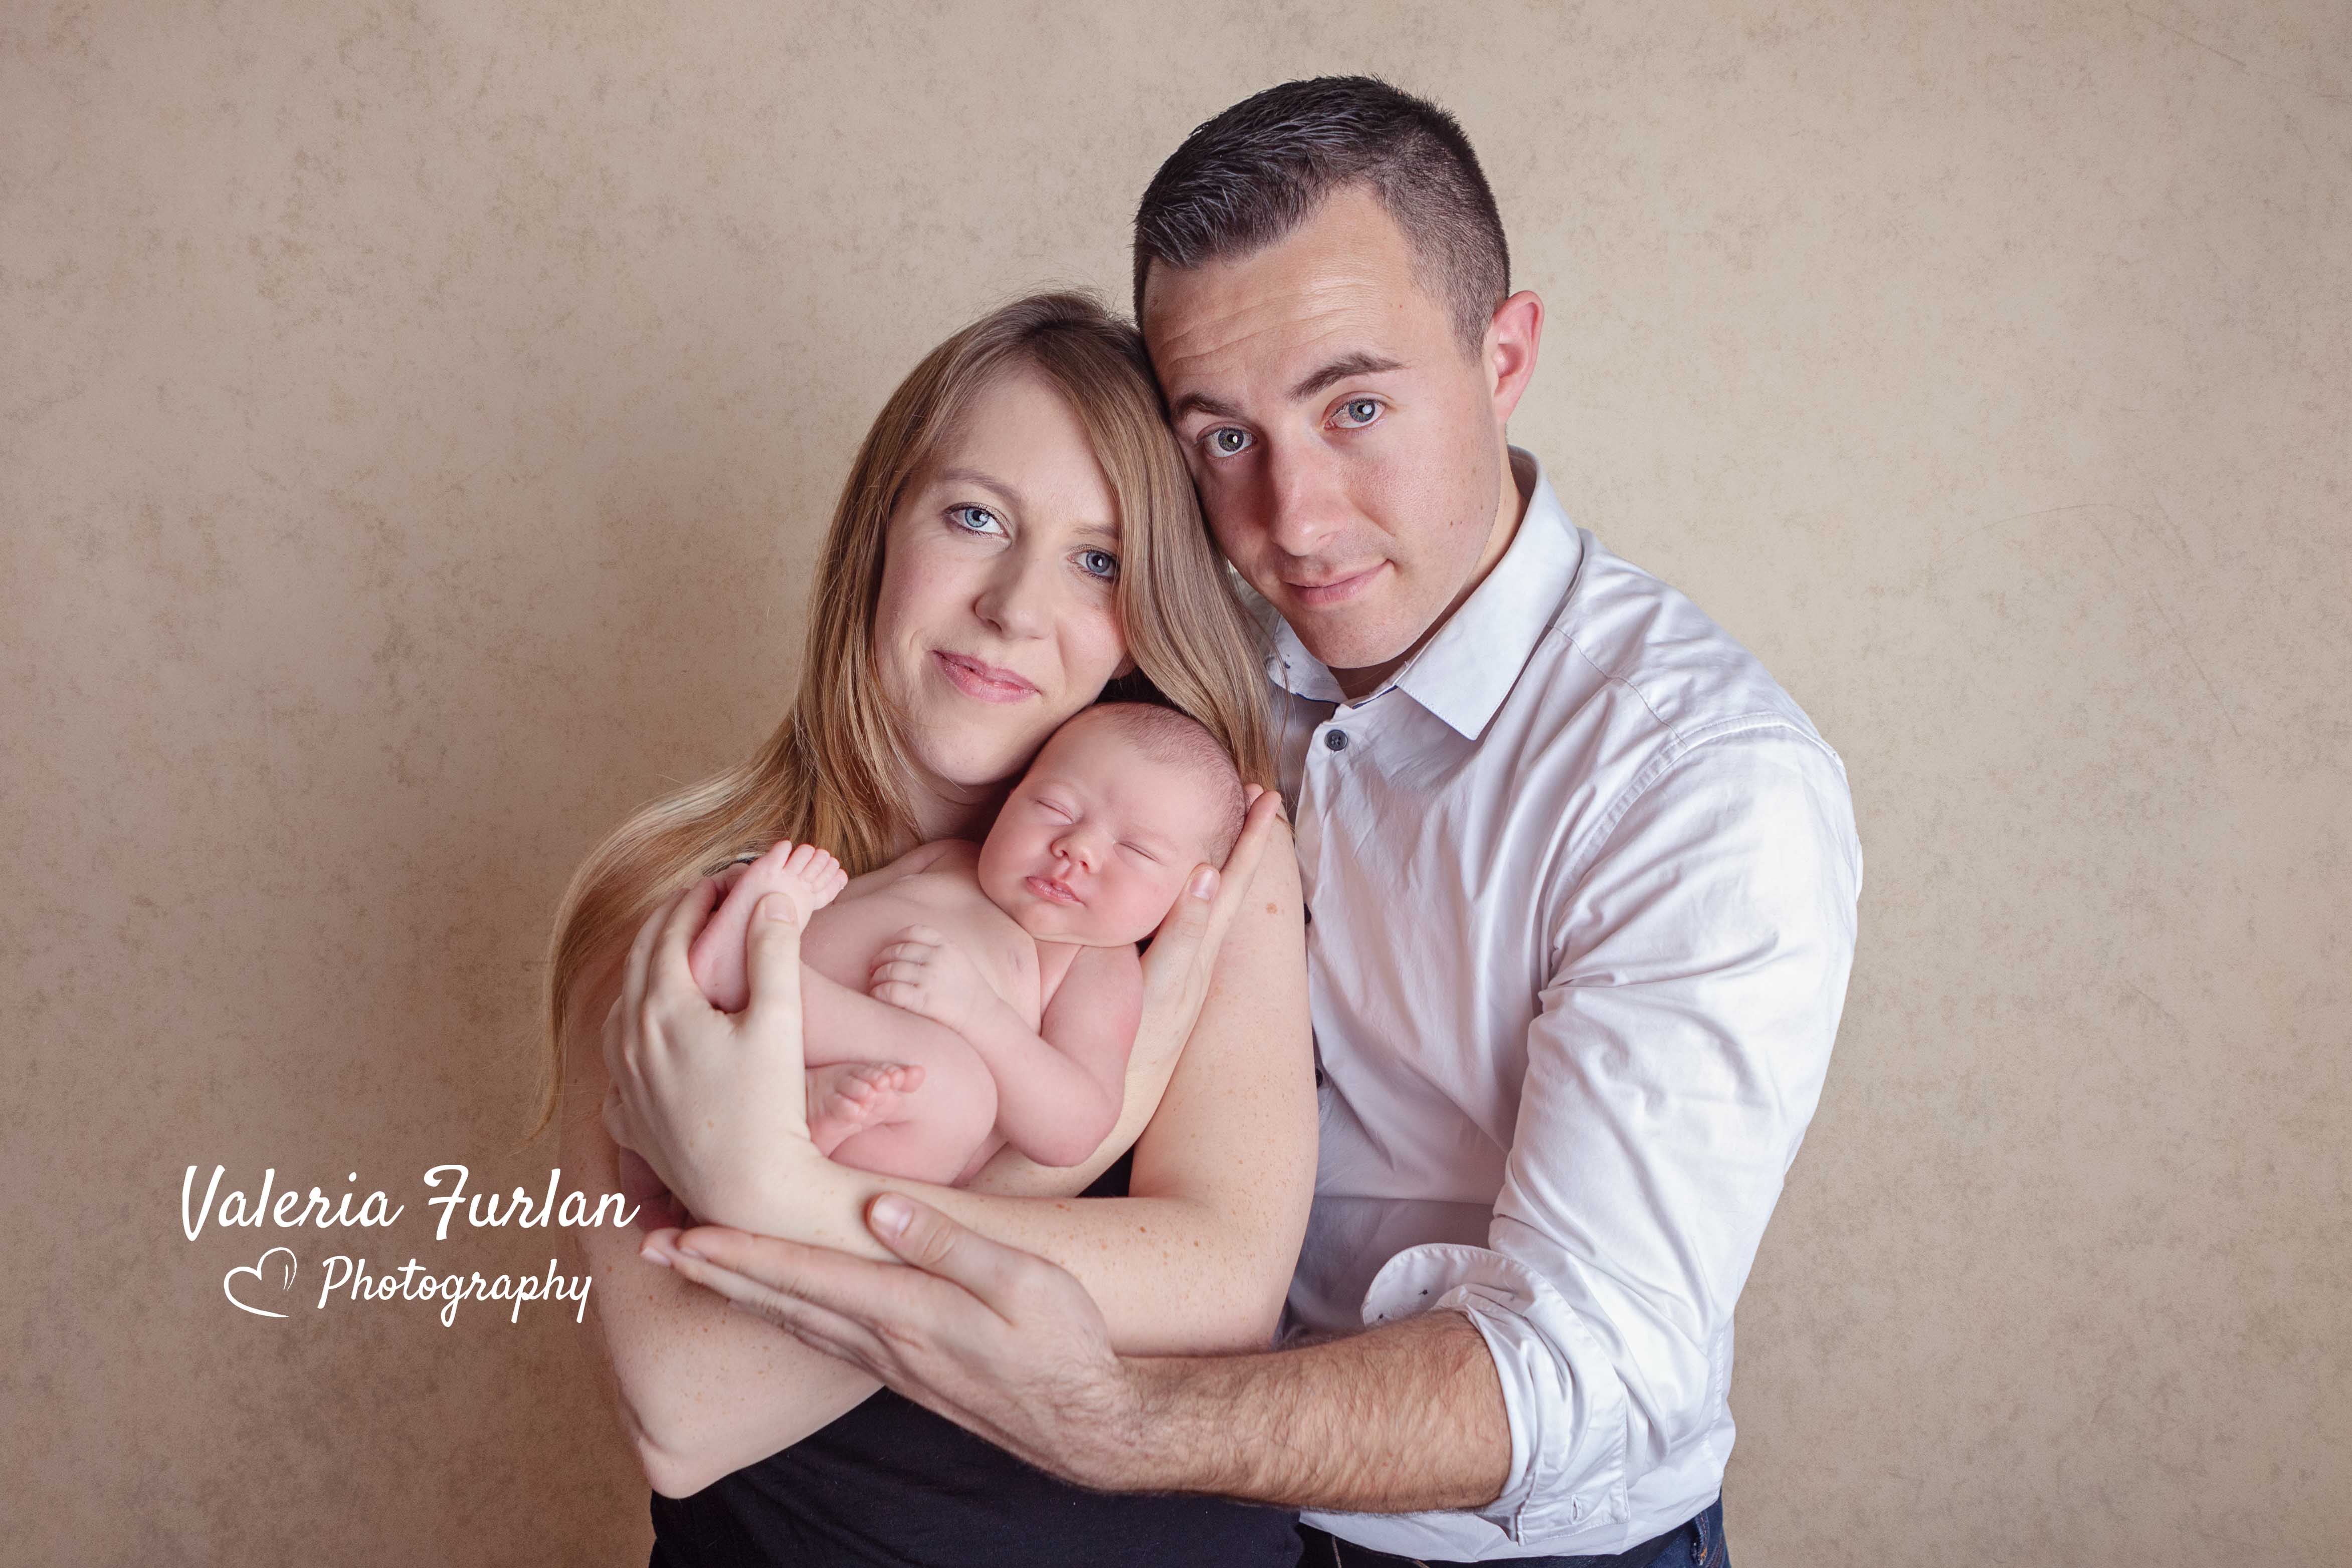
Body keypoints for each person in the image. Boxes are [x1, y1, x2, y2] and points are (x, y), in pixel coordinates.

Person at [624, 77, 1863, 1567]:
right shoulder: (1160, 686)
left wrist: (1107, 1412)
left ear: (1504, 355)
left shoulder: (1693, 781)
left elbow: (1592, 1369)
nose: (1293, 515)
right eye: (1221, 436)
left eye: (1356, 407)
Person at [549, 291, 1315, 1565]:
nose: (1015, 605)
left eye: (1099, 560)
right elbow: (687, 1408)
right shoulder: (687, 900)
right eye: (976, 518)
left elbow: (1224, 1284)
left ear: (1150, 610)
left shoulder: (1193, 857)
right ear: (878, 534)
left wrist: (781, 1198)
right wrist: (1083, 1125)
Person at [684, 701, 1248, 1185]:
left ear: (1186, 894)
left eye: (1136, 851)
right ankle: (751, 972)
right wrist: (794, 895)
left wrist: (976, 1012)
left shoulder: (1094, 965)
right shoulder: (950, 859)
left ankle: (760, 1004)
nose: (1078, 847)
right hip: (723, 1043)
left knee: (960, 1091)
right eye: (1055, 808)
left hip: (864, 1116)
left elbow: (1075, 1128)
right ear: (1010, 798)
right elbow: (839, 905)